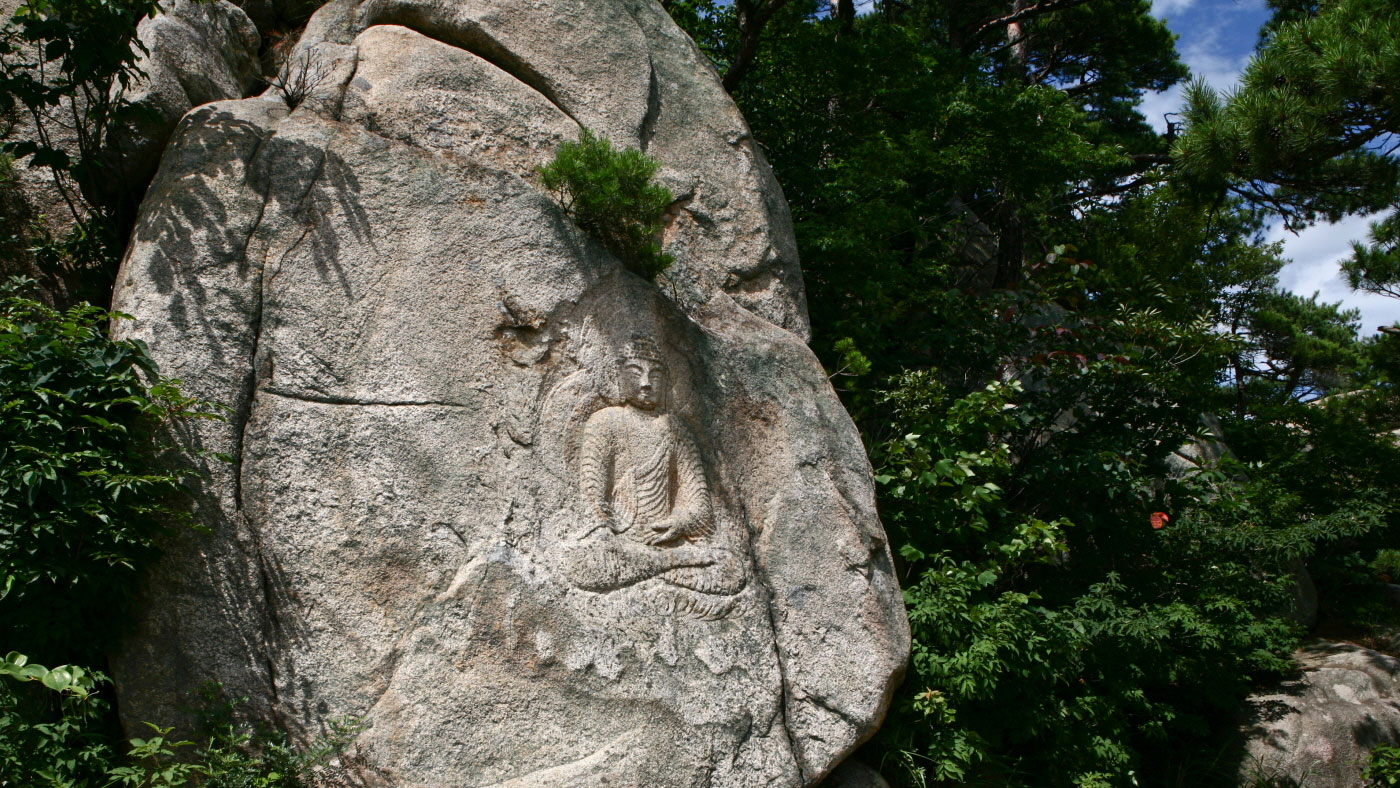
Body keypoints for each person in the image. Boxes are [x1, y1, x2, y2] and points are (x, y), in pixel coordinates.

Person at [561, 336, 744, 603]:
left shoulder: (676, 429)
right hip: (621, 544)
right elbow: (591, 495)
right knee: (584, 564)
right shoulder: (605, 422)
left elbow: (700, 506)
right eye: (636, 373)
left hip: (666, 545)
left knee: (731, 569)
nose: (646, 383)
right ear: (617, 377)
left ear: (667, 382)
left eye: (655, 375)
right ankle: (667, 572)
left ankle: (658, 570)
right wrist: (604, 532)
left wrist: (681, 521)